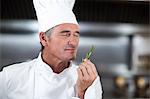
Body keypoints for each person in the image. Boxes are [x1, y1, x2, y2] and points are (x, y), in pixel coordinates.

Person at [0, 0, 103, 99]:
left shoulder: (88, 80)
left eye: (76, 35)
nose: (73, 42)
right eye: (65, 34)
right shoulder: (10, 77)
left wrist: (82, 93)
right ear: (44, 38)